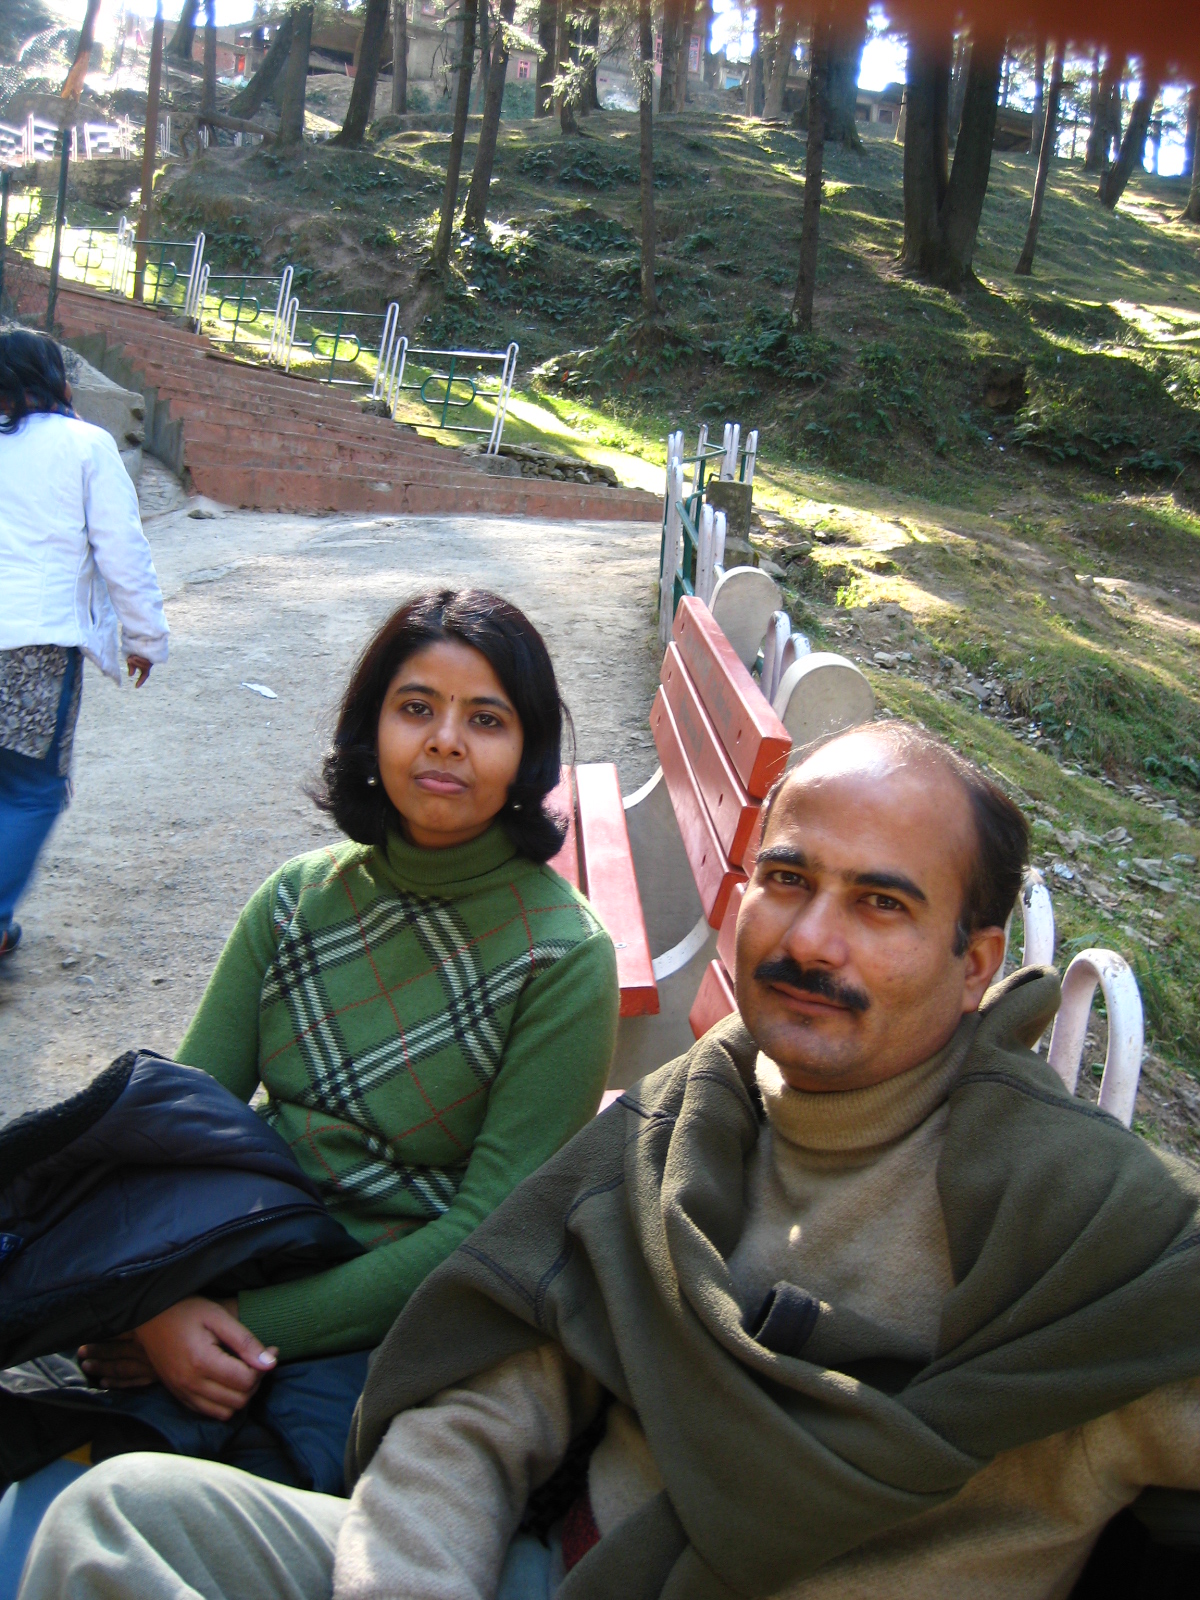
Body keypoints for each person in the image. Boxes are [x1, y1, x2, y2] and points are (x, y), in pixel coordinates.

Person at [19, 722, 1200, 1600]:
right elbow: (492, 1396)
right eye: (788, 879)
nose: (810, 939)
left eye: (880, 905)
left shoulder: (1088, 1227)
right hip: (556, 1569)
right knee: (122, 1519)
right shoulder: (697, 1113)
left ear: (975, 961)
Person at [1, 588, 618, 1596]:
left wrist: (242, 1324)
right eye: (416, 707)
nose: (446, 740)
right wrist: (160, 1309)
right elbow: (175, 1133)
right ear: (372, 726)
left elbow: (483, 1236)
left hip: (394, 1328)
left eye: (486, 718)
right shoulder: (296, 902)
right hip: (239, 1264)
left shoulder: (562, 956)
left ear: (528, 750)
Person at [0, 329, 168, 958]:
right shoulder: (85, 446)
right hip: (36, 649)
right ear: (59, 383)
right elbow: (122, 551)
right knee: (31, 788)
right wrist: (143, 636)